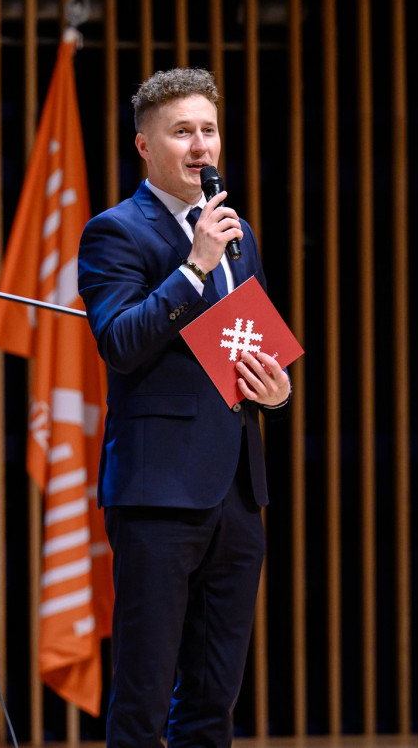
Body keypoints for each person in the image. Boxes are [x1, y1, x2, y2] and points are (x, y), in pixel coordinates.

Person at [77, 67, 292, 748]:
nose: (201, 146)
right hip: (158, 494)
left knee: (212, 699)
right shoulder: (115, 232)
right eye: (182, 132)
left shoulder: (237, 231)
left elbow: (252, 347)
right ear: (145, 145)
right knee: (143, 697)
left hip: (237, 491)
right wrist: (195, 265)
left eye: (209, 130)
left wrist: (278, 391)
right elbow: (121, 343)